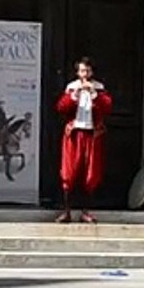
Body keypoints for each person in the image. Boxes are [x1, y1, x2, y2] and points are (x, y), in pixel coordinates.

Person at [54, 57, 113, 223]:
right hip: (74, 134)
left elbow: (107, 107)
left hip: (92, 135)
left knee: (91, 173)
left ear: (91, 72)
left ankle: (86, 211)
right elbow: (61, 107)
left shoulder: (99, 89)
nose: (84, 74)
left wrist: (94, 94)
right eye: (81, 71)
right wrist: (75, 95)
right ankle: (66, 211)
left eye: (87, 71)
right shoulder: (72, 88)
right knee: (69, 171)